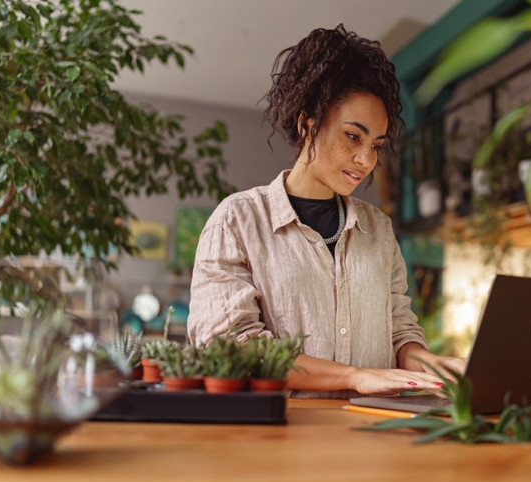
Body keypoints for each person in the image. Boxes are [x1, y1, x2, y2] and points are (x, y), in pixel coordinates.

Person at [187, 24, 465, 398]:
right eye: (353, 136)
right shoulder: (237, 220)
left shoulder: (378, 229)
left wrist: (439, 366)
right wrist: (353, 377)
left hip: (372, 429)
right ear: (308, 125)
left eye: (376, 145)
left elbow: (400, 331)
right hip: (283, 431)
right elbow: (230, 347)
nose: (366, 159)